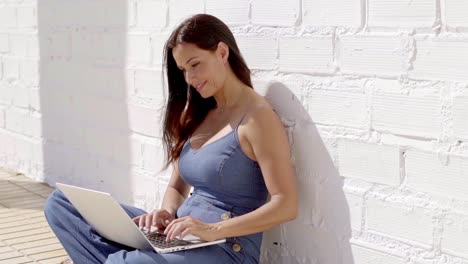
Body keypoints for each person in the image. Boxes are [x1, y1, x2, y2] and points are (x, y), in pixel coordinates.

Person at [44, 13, 298, 264]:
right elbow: (177, 187)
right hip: (177, 235)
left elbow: (286, 204)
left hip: (227, 248)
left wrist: (212, 230)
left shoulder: (257, 118)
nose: (190, 78)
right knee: (61, 205)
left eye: (195, 64)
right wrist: (165, 213)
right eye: (183, 70)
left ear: (222, 52)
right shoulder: (198, 113)